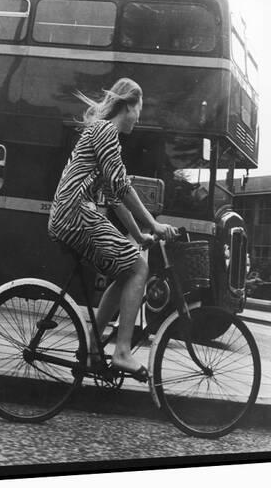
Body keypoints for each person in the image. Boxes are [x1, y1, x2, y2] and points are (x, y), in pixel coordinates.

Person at [48, 78, 178, 381]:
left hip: (71, 214)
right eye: (139, 110)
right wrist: (155, 225)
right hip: (76, 214)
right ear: (128, 105)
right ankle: (121, 352)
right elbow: (122, 186)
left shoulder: (100, 132)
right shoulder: (106, 132)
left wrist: (140, 234)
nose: (139, 118)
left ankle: (94, 346)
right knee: (138, 269)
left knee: (128, 267)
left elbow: (113, 195)